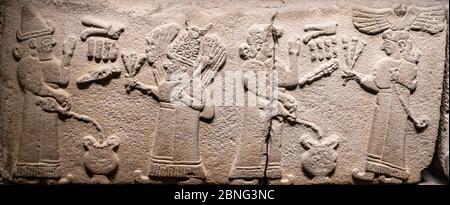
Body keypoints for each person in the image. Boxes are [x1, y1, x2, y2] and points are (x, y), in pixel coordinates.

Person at [343, 29, 420, 183]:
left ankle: (396, 175)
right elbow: (378, 84)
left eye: (386, 43)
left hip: (396, 108)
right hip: (384, 104)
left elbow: (381, 84)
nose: (383, 47)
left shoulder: (406, 66)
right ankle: (372, 171)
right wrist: (357, 76)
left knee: (393, 139)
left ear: (401, 45)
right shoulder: (391, 64)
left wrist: (398, 78)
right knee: (377, 137)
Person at [13, 4, 71, 183]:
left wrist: (67, 56)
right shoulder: (28, 62)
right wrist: (57, 94)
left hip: (47, 105)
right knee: (34, 137)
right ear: (33, 44)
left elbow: (62, 79)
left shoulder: (50, 62)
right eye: (47, 41)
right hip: (35, 105)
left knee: (49, 137)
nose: (53, 43)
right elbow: (37, 86)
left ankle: (49, 173)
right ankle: (27, 174)